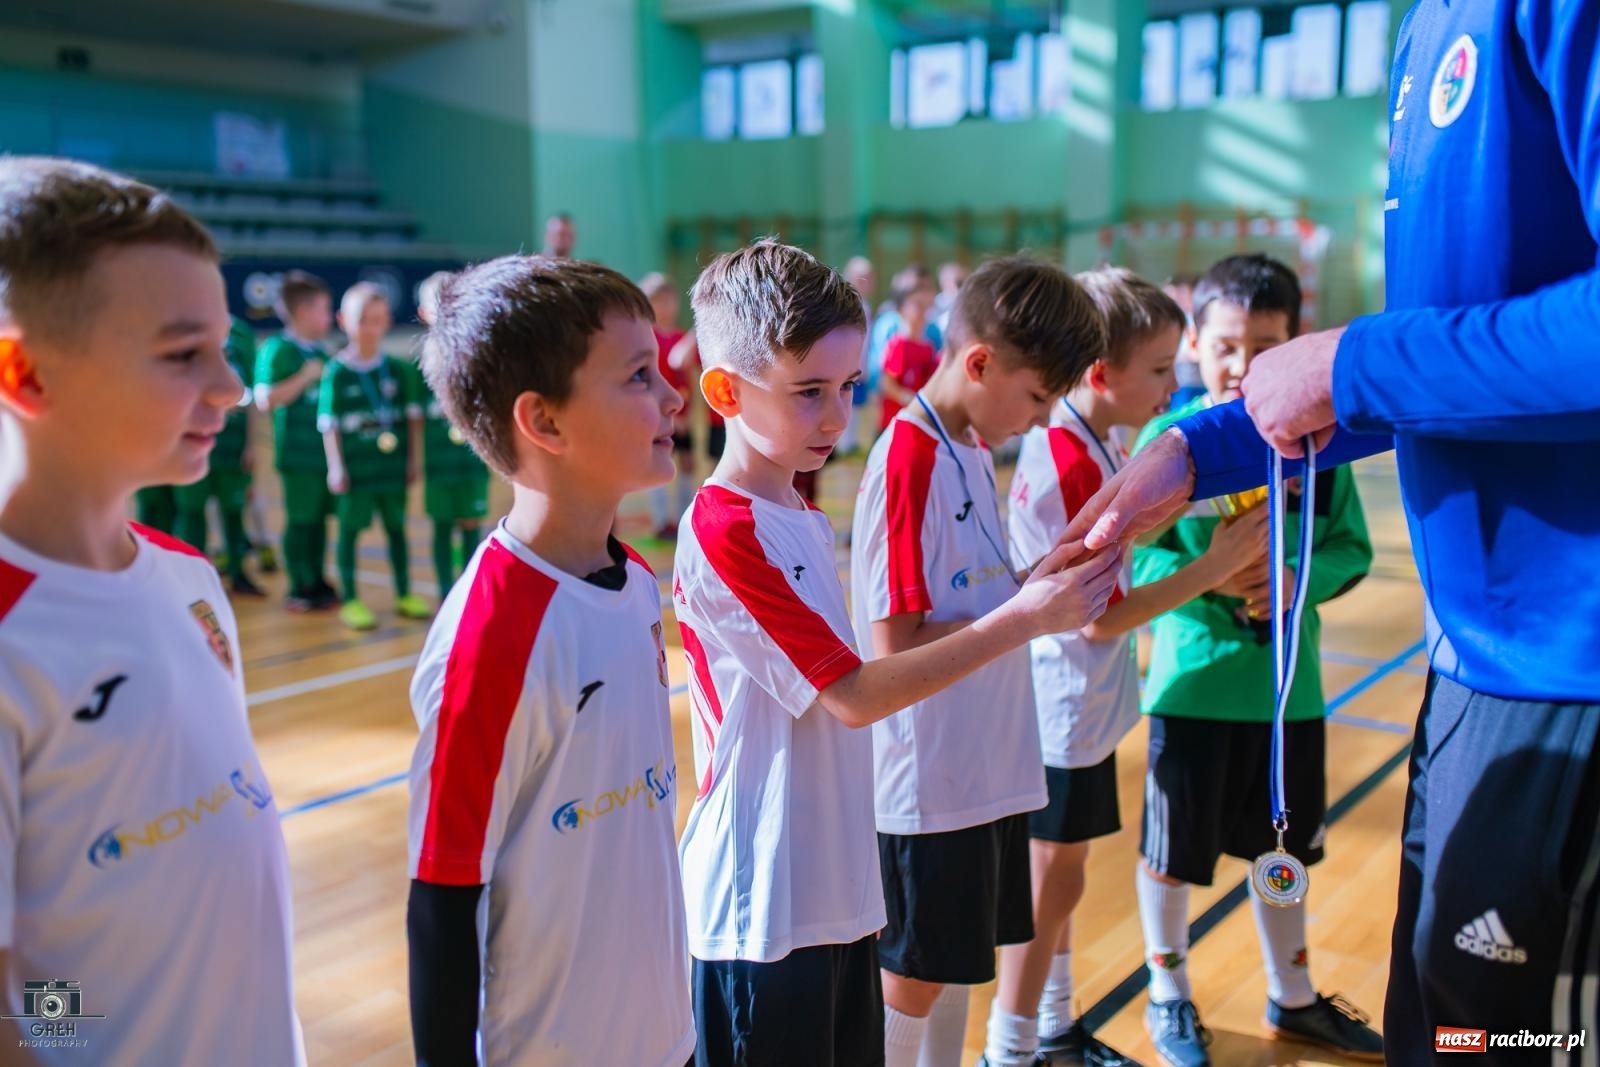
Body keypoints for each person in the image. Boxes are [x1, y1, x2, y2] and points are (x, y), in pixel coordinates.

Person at [1062, 5, 1600, 1059]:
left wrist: (1353, 361)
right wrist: (1205, 449)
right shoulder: (1423, 30)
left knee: (1520, 1040)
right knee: (1444, 1027)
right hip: (1474, 665)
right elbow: (1463, 364)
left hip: (1570, 663)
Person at [673, 239, 1124, 1067]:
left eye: (847, 387)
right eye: (809, 392)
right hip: (761, 903)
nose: (839, 417)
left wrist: (1031, 590)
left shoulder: (801, 516)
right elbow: (852, 693)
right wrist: (1026, 615)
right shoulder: (724, 526)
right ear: (726, 392)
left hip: (834, 883)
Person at [0, 156, 301, 1064]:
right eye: (182, 355)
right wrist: (93, 1036)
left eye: (223, 346)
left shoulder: (187, 577)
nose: (231, 386)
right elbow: (19, 989)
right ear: (26, 373)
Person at [405, 256, 694, 1067]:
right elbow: (442, 894)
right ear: (546, 422)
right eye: (639, 375)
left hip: (660, 1028)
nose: (673, 395)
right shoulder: (492, 638)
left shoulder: (636, 579)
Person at [986, 266, 1265, 1067]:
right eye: (1159, 368)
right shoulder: (1074, 458)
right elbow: (1100, 617)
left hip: (1081, 698)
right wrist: (1210, 570)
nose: (1173, 383)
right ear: (1101, 374)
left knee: (1064, 878)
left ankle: (1056, 1026)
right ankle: (1010, 1047)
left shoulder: (1092, 437)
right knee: (1051, 882)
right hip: (1061, 699)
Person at [849, 257, 1109, 1067]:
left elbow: (976, 599)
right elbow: (893, 648)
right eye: (1036, 397)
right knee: (913, 980)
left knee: (957, 965)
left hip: (985, 768)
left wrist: (1046, 577)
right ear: (979, 361)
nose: (1038, 422)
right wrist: (1028, 615)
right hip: (928, 784)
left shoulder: (967, 445)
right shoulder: (910, 457)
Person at [1131, 255, 1379, 1065]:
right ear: (1195, 340)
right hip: (1191, 688)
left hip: (1285, 697)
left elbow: (1350, 549)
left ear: (1291, 344)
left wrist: (1297, 581)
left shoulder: (1314, 443)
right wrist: (1212, 574)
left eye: (1264, 344)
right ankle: (1168, 990)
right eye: (1226, 344)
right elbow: (1134, 565)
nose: (1240, 362)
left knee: (1283, 855)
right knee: (1172, 859)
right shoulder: (1166, 444)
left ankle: (1293, 991)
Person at [318, 283, 430, 630]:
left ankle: (404, 593)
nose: (371, 327)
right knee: (350, 531)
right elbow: (329, 425)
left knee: (397, 529)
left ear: (387, 322)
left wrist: (413, 460)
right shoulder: (336, 371)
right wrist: (335, 466)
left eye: (378, 320)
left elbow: (413, 421)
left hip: (391, 468)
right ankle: (350, 598)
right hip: (355, 469)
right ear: (344, 321)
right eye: (363, 320)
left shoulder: (399, 370)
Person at [254, 269, 337, 611]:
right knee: (301, 520)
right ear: (302, 312)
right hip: (297, 455)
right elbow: (265, 399)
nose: (328, 317)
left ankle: (318, 577)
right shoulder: (279, 349)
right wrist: (304, 377)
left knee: (319, 520)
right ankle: (299, 582)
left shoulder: (324, 352)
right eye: (323, 309)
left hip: (323, 456)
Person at [171, 315, 265, 596]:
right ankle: (191, 579)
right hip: (193, 442)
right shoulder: (181, 341)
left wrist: (250, 444)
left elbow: (248, 398)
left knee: (234, 511)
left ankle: (238, 573)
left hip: (231, 446)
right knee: (191, 512)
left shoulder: (239, 341)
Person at [413, 270, 492, 595]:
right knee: (442, 526)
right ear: (423, 313)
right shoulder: (415, 368)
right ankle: (448, 594)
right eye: (438, 305)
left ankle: (470, 593)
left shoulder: (477, 358)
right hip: (437, 465)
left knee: (471, 523)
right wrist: (415, 462)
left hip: (471, 461)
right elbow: (413, 421)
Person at [640, 272, 694, 539]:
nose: (666, 307)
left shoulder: (681, 338)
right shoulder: (646, 338)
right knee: (656, 462)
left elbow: (685, 381)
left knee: (687, 462)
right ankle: (662, 521)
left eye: (670, 301)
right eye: (659, 301)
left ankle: (684, 516)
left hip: (679, 415)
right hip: (656, 414)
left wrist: (684, 412)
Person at [876, 271, 940, 432]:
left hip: (915, 421)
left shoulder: (928, 347)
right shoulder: (898, 344)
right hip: (893, 421)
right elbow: (887, 383)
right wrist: (909, 399)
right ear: (902, 309)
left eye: (925, 306)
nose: (922, 311)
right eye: (917, 305)